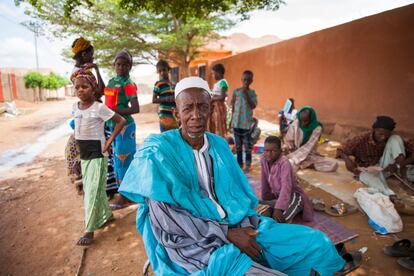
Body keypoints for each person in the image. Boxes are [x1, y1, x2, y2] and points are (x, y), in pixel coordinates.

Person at [119, 76, 346, 275]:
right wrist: (226, 234)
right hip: (193, 240)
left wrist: (239, 227)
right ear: (177, 113)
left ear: (211, 109)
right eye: (188, 109)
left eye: (202, 107)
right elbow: (167, 218)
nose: (196, 116)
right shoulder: (158, 150)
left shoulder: (218, 144)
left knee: (316, 243)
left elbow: (237, 193)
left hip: (238, 222)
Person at [72, 72, 125, 245]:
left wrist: (109, 142)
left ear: (94, 89)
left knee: (92, 192)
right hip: (85, 155)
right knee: (94, 189)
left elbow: (121, 121)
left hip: (97, 154)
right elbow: (78, 131)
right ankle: (107, 216)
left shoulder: (98, 107)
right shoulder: (75, 107)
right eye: (77, 87)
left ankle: (89, 230)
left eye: (85, 86)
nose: (80, 90)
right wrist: (77, 156)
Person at [337, 116, 414, 196]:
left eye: (386, 135)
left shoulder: (391, 136)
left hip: (386, 168)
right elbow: (341, 150)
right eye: (380, 134)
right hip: (367, 170)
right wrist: (349, 163)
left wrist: (398, 165)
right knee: (369, 178)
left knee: (396, 138)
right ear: (374, 129)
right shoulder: (361, 139)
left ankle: (404, 181)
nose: (383, 137)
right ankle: (390, 195)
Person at [104, 49, 140, 209]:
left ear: (130, 67)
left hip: (125, 127)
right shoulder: (111, 82)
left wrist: (114, 113)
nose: (121, 67)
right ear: (114, 65)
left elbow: (136, 108)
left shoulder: (129, 85)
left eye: (125, 65)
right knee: (118, 162)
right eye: (119, 64)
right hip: (113, 126)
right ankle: (124, 194)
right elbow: (105, 100)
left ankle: (125, 196)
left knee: (124, 161)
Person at [260, 136, 314, 223]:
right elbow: (264, 181)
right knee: (258, 205)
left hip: (293, 196)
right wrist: (266, 199)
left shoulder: (284, 163)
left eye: (273, 151)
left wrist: (278, 208)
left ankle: (296, 205)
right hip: (279, 197)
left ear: (280, 151)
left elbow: (286, 187)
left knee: (280, 220)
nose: (269, 154)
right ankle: (274, 206)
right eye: (266, 150)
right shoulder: (263, 159)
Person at [284, 106, 338, 172]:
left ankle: (306, 164)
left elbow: (308, 147)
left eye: (306, 121)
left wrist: (293, 157)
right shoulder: (296, 123)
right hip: (293, 151)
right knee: (288, 164)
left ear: (311, 119)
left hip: (308, 154)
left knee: (333, 164)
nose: (303, 124)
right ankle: (303, 164)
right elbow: (288, 139)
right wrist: (289, 148)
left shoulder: (317, 128)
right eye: (302, 121)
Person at [231, 70, 257, 172]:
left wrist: (246, 94)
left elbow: (253, 105)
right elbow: (233, 105)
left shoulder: (252, 93)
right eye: (244, 79)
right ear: (241, 79)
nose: (246, 81)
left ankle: (248, 164)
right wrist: (231, 120)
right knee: (238, 146)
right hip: (236, 123)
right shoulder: (236, 91)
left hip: (246, 124)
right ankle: (239, 164)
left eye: (248, 80)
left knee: (247, 146)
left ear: (251, 81)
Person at [152, 60, 178, 132]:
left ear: (168, 70)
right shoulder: (158, 84)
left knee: (174, 138)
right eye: (160, 71)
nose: (162, 72)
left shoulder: (174, 85)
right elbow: (154, 100)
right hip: (164, 117)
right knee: (165, 138)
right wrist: (166, 98)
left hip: (175, 116)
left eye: (164, 70)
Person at [209, 63, 229, 137]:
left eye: (213, 74)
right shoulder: (218, 83)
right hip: (215, 106)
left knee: (219, 124)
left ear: (219, 73)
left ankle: (220, 138)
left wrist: (212, 99)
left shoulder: (223, 82)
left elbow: (222, 97)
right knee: (214, 123)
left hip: (219, 106)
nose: (213, 76)